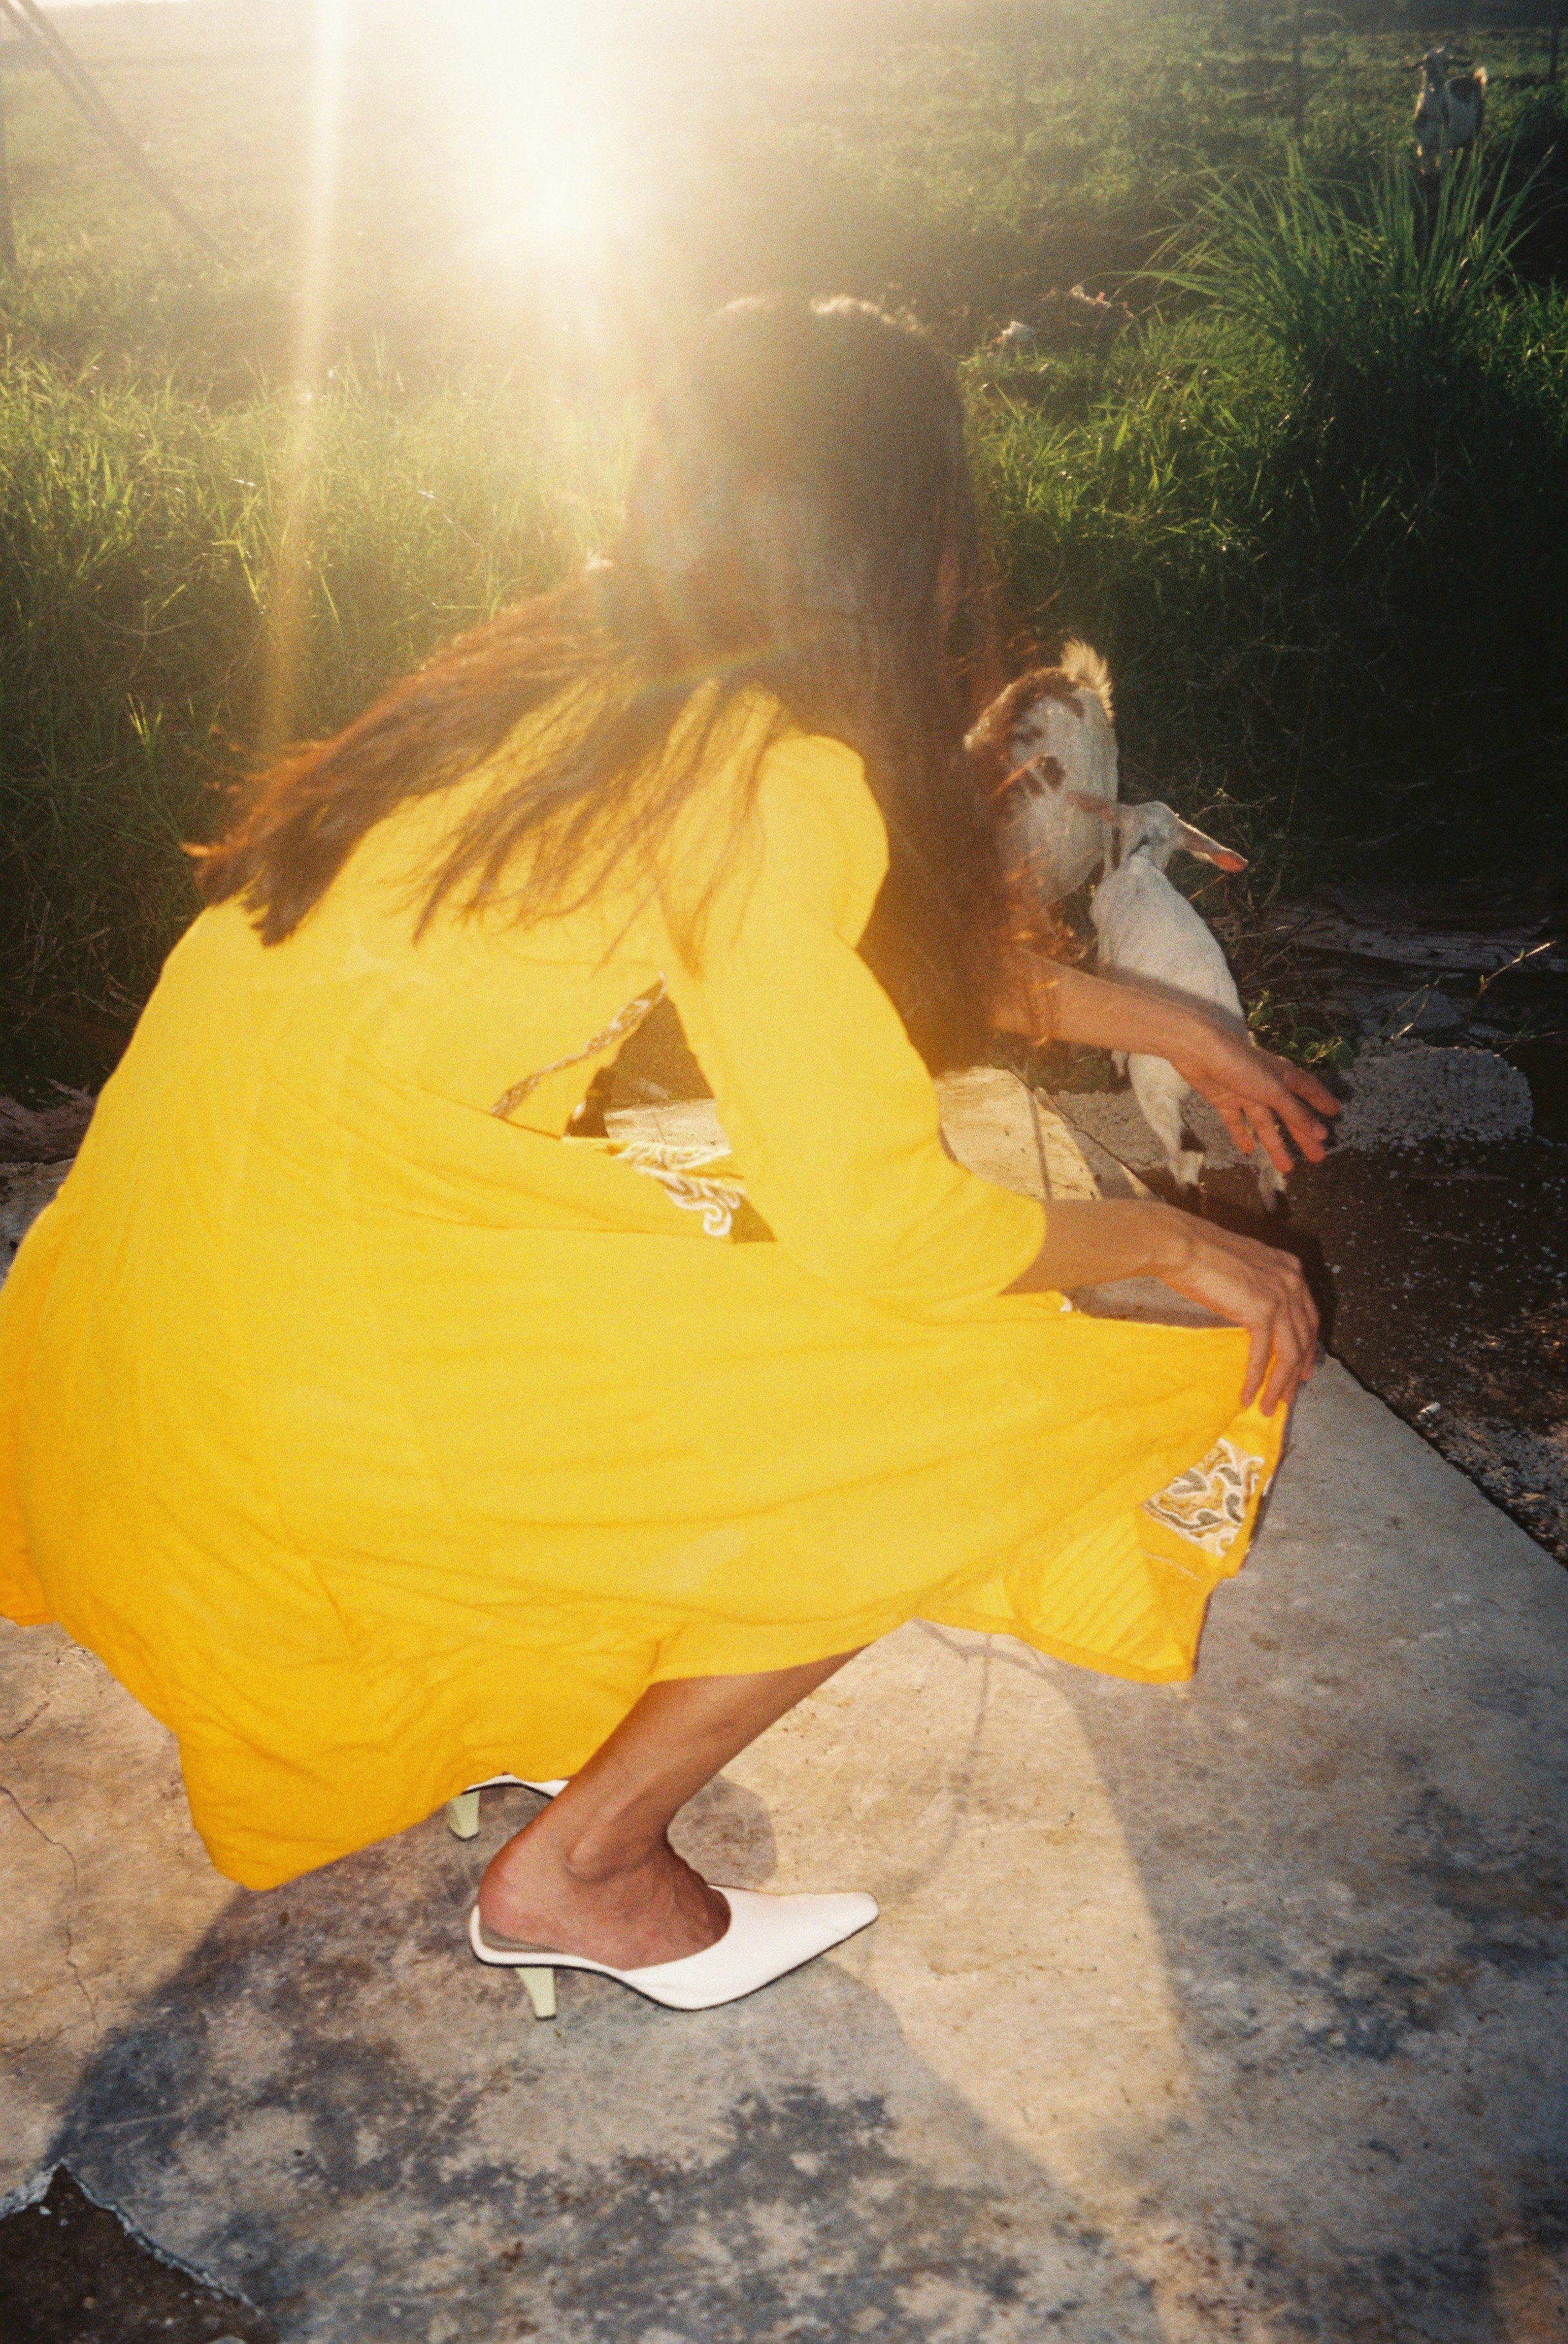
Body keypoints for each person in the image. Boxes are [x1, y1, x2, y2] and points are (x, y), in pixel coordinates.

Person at [0, 296, 1334, 2011]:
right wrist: (1171, 1243)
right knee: (939, 1404)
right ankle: (584, 1868)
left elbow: (870, 969)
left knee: (696, 1283)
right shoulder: (767, 771)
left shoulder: (570, 680)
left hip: (134, 1314)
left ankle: (511, 1709)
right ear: (910, 543)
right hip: (297, 1362)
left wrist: (1178, 1030)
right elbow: (889, 1230)